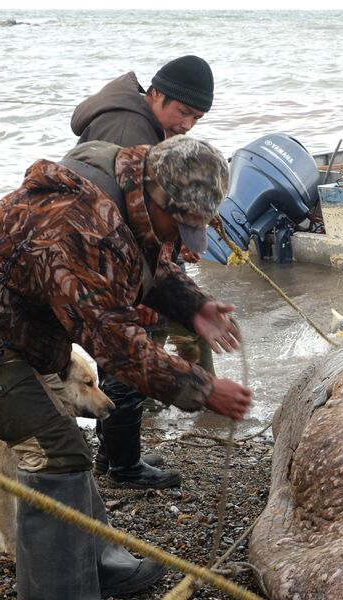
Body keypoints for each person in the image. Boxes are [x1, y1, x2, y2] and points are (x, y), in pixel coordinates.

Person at [0, 135, 252, 600]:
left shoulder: (132, 187)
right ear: (158, 197)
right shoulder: (79, 226)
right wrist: (201, 388)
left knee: (66, 449)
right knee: (55, 453)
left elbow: (149, 258)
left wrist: (192, 305)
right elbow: (117, 344)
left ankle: (99, 559)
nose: (186, 242)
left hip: (26, 334)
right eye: (182, 226)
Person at [70, 55, 216, 489]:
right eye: (183, 112)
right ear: (155, 94)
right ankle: (123, 467)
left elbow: (149, 211)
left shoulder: (147, 126)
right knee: (124, 360)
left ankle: (114, 455)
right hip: (105, 267)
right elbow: (113, 225)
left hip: (120, 264)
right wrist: (143, 290)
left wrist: (175, 242)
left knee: (124, 358)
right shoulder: (127, 130)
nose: (188, 125)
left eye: (197, 117)